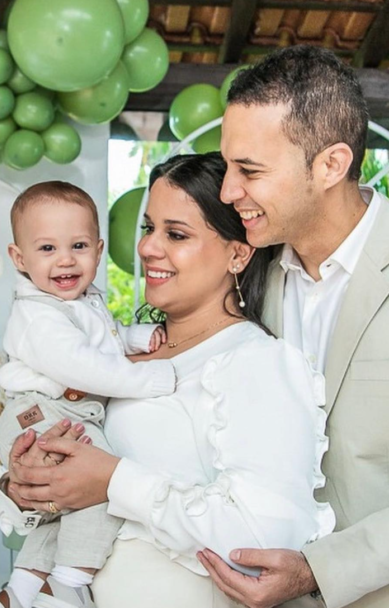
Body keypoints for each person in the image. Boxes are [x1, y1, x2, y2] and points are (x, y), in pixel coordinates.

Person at [0, 153, 335, 608]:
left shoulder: (255, 361)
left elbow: (263, 540)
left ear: (237, 252)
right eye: (149, 228)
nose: (148, 247)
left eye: (176, 234)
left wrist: (114, 481)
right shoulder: (117, 352)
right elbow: (63, 486)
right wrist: (22, 487)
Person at [195, 45, 389, 608]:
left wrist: (316, 571)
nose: (229, 191)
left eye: (250, 171)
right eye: (229, 166)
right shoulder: (245, 272)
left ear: (330, 165)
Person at [0, 181, 178, 608]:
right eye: (47, 249)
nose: (66, 260)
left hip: (49, 413)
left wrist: (134, 337)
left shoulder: (79, 301)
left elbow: (98, 341)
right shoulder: (37, 315)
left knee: (64, 506)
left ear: (98, 248)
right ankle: (69, 584)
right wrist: (150, 379)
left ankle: (20, 590)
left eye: (78, 245)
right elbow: (81, 364)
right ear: (19, 258)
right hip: (44, 415)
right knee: (98, 488)